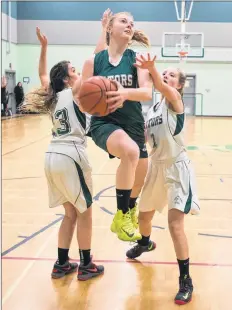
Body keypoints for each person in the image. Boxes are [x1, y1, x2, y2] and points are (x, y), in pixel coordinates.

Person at [23, 10, 112, 280]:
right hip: (71, 154)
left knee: (70, 213)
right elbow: (95, 60)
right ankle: (86, 264)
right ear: (66, 79)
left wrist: (44, 47)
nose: (77, 72)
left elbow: (41, 73)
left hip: (51, 155)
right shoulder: (75, 91)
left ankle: (62, 263)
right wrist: (104, 30)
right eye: (73, 71)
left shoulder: (52, 95)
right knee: (85, 212)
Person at [126, 53, 200, 305]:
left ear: (178, 85)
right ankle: (145, 243)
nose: (166, 76)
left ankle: (186, 280)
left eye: (171, 75)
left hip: (177, 168)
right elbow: (144, 139)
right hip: (157, 168)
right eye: (164, 73)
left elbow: (157, 84)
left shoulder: (175, 100)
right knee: (144, 217)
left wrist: (152, 69)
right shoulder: (154, 109)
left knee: (174, 225)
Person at [82, 12, 153, 242]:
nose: (130, 24)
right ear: (110, 29)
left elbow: (147, 92)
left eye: (132, 22)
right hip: (105, 122)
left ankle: (128, 210)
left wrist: (124, 93)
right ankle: (122, 215)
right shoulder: (94, 62)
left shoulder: (137, 59)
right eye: (124, 21)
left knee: (139, 179)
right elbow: (83, 96)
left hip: (133, 123)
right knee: (130, 151)